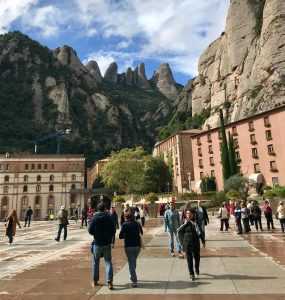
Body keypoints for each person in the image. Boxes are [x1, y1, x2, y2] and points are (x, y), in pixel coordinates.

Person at [88, 202, 115, 290]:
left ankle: (95, 280)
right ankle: (109, 282)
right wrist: (109, 236)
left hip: (97, 243)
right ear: (104, 208)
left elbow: (90, 230)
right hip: (107, 242)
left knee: (96, 262)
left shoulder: (94, 218)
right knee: (108, 262)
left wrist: (96, 235)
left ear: (98, 209)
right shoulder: (109, 217)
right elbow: (113, 230)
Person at [119, 211, 143, 287]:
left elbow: (120, 236)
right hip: (137, 246)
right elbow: (141, 232)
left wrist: (126, 235)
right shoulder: (137, 223)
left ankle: (134, 280)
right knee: (133, 261)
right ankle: (131, 276)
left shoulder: (124, 224)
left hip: (128, 246)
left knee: (131, 263)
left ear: (126, 217)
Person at [178, 209, 200, 281]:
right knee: (189, 259)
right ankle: (191, 273)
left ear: (193, 214)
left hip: (195, 242)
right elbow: (179, 231)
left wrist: (195, 225)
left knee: (197, 257)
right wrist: (184, 224)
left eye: (190, 213)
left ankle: (196, 267)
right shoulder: (184, 222)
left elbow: (199, 233)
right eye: (187, 214)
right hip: (187, 243)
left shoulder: (196, 222)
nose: (188, 215)